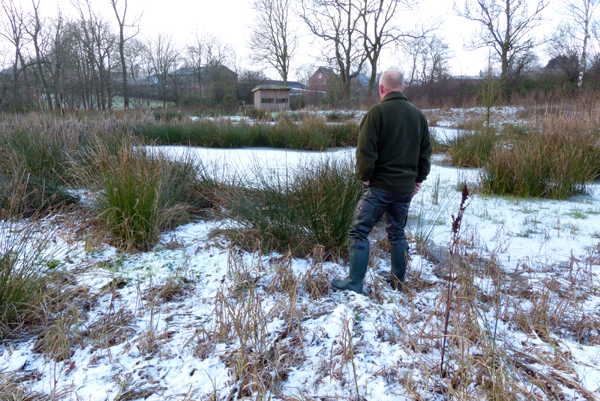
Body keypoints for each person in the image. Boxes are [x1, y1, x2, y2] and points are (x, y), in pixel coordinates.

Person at [331, 69, 432, 294]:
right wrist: (418, 180)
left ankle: (354, 283)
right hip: (405, 189)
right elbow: (425, 154)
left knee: (358, 231)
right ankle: (398, 280)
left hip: (381, 187)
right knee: (397, 232)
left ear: (381, 89)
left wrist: (365, 176)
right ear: (403, 88)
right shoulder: (418, 116)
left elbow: (365, 152)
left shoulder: (376, 113)